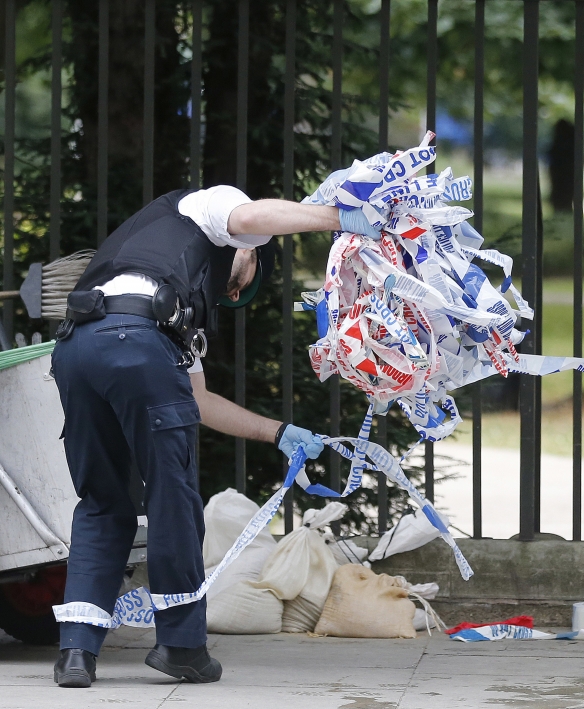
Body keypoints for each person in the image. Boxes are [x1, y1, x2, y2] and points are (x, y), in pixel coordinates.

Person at [50, 185, 377, 688]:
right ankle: (182, 647)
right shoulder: (208, 208)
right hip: (136, 345)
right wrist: (345, 218)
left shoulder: (176, 309)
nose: (231, 292)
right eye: (241, 283)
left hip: (76, 349)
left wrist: (279, 431)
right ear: (248, 253)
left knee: (101, 501)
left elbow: (196, 401)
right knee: (172, 499)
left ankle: (76, 651)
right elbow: (250, 216)